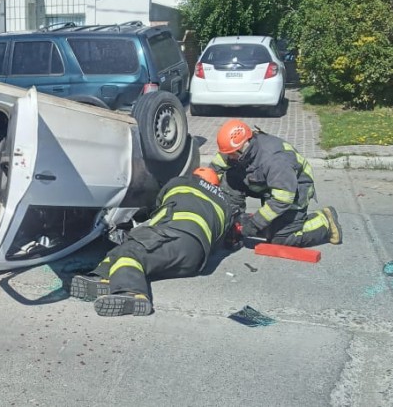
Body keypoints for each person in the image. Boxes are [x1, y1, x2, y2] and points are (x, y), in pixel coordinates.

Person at [70, 167, 238, 316]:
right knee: (126, 250)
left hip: (174, 234)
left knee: (131, 252)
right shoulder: (224, 205)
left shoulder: (182, 181)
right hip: (197, 257)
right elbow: (221, 241)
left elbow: (155, 206)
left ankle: (131, 292)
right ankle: (105, 277)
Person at [210, 119, 342, 247]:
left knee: (280, 238)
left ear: (244, 146)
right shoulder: (243, 148)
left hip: (295, 189)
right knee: (230, 179)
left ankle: (324, 222)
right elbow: (220, 161)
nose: (229, 157)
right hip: (267, 182)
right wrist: (205, 178)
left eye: (232, 154)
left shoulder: (275, 160)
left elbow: (282, 200)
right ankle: (235, 222)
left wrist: (255, 223)